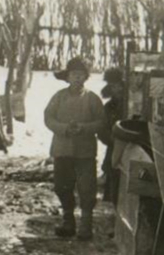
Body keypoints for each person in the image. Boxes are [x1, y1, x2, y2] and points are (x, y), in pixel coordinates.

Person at [44, 56, 106, 240]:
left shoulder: (93, 99)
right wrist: (63, 128)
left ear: (86, 78)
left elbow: (102, 122)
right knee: (62, 186)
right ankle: (68, 222)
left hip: (85, 151)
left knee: (87, 187)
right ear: (68, 77)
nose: (77, 78)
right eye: (74, 75)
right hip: (62, 149)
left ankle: (86, 226)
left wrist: (84, 128)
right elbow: (48, 118)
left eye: (81, 75)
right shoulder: (59, 97)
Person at [98, 67, 126, 204]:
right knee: (114, 180)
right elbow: (102, 130)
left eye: (119, 85)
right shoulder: (108, 107)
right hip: (114, 148)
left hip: (132, 146)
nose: (117, 89)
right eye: (113, 86)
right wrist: (112, 139)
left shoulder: (134, 103)